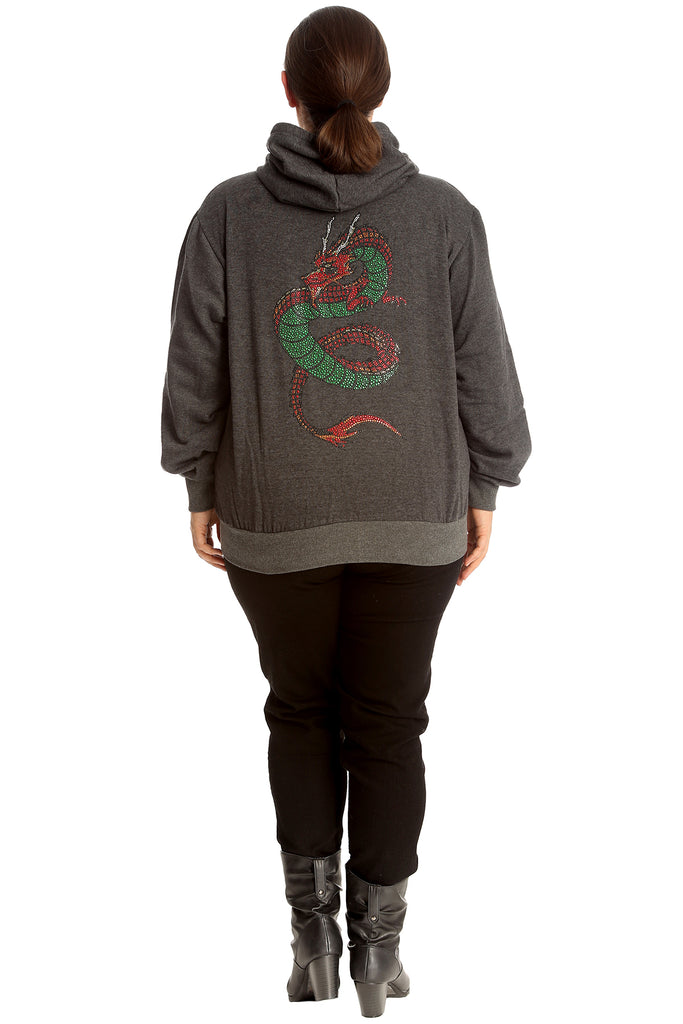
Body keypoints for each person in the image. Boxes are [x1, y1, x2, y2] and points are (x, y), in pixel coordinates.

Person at [160, 5, 532, 1017]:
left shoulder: (227, 214)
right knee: (388, 723)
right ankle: (378, 951)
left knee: (299, 711)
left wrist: (198, 482)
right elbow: (483, 367)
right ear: (380, 89)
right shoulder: (444, 215)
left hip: (271, 515)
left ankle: (313, 939)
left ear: (287, 90)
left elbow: (194, 364)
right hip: (416, 515)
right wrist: (486, 485)